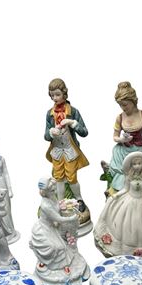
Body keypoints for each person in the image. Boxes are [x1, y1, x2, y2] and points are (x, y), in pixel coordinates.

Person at [103, 81, 142, 196]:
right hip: (124, 149)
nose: (123, 108)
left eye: (125, 104)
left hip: (140, 148)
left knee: (141, 170)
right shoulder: (120, 117)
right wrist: (122, 140)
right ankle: (120, 192)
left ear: (133, 101)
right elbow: (115, 136)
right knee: (123, 171)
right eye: (120, 105)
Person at [94, 152, 142, 259]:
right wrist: (116, 195)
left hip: (141, 203)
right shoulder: (129, 178)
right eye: (135, 164)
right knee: (126, 223)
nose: (137, 166)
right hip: (130, 201)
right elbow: (125, 189)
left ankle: (141, 251)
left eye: (139, 164)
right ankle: (122, 249)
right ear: (131, 166)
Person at [44, 78, 89, 212]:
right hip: (57, 150)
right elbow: (45, 136)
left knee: (71, 177)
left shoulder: (73, 111)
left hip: (70, 150)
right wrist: (51, 132)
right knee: (58, 177)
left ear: (64, 94)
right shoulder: (49, 114)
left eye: (57, 94)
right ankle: (60, 202)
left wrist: (72, 123)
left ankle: (79, 199)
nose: (55, 98)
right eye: (52, 95)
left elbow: (84, 132)